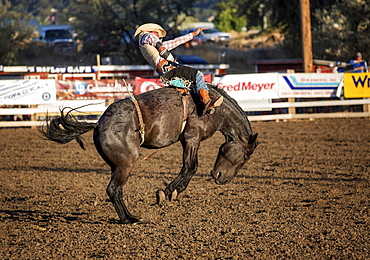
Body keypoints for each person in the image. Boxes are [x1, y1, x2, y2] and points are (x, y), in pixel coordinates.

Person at [134, 23, 223, 114]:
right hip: (167, 67)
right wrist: (172, 61)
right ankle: (207, 103)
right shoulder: (148, 35)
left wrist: (192, 35)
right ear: (150, 31)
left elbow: (175, 42)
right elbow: (160, 47)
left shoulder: (146, 45)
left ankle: (199, 105)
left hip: (164, 73)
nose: (158, 36)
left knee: (190, 86)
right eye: (157, 33)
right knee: (197, 75)